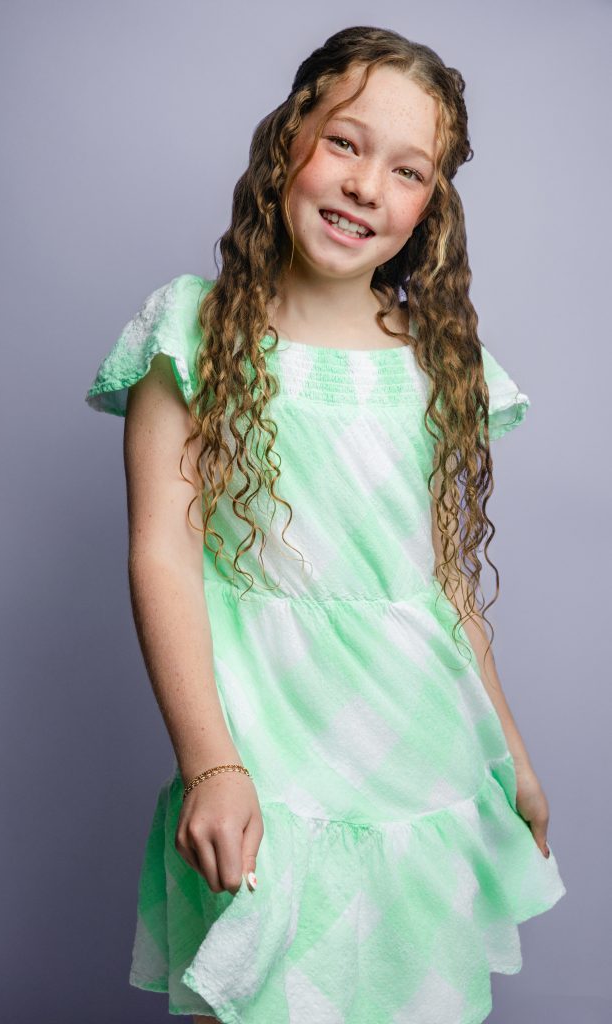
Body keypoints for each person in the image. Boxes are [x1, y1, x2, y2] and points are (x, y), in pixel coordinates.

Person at [84, 25, 566, 1024]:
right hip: (264, 751)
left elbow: (443, 584)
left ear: (430, 204)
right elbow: (162, 552)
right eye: (344, 143)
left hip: (419, 754)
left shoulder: (437, 363)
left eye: (406, 169)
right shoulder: (192, 331)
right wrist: (211, 764)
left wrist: (511, 755)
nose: (363, 186)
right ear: (288, 140)